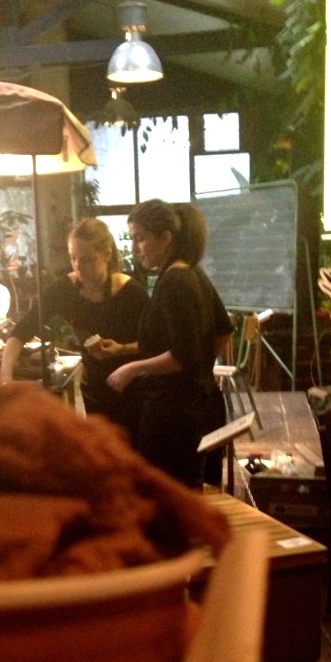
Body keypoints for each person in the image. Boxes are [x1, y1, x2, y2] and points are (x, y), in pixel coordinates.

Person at [106, 199, 232, 489]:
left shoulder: (175, 281)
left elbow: (182, 356)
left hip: (172, 413)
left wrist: (132, 369)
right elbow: (223, 332)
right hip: (197, 404)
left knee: (165, 494)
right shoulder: (192, 272)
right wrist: (200, 371)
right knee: (188, 492)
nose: (135, 248)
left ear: (165, 238)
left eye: (140, 238)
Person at [0, 217, 149, 436]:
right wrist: (5, 377)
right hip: (95, 390)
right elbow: (21, 332)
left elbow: (156, 344)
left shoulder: (131, 292)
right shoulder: (64, 289)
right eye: (73, 258)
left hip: (134, 388)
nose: (78, 266)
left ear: (107, 255)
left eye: (87, 259)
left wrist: (122, 349)